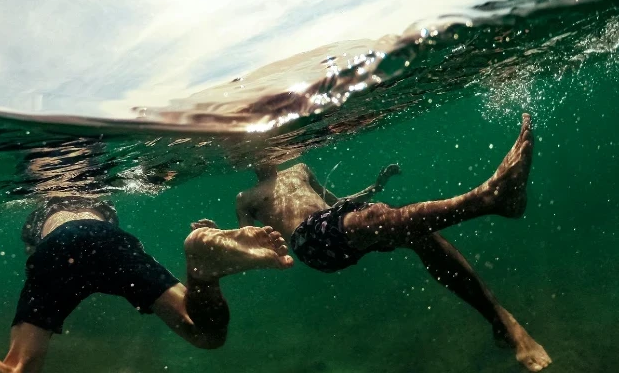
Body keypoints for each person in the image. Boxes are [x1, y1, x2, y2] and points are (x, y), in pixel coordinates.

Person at [234, 113, 552, 372]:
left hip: (337, 223)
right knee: (378, 219)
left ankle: (502, 321)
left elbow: (334, 204)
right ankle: (488, 197)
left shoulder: (300, 168)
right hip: (311, 243)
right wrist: (239, 241)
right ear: (247, 160)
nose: (262, 154)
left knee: (422, 236)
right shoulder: (246, 197)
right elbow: (247, 242)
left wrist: (375, 186)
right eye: (253, 150)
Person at [0, 196, 293, 373]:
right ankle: (202, 269)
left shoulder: (38, 218)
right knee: (205, 332)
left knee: (15, 370)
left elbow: (39, 262)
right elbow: (96, 234)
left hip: (56, 248)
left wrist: (51, 298)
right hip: (107, 240)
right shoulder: (101, 207)